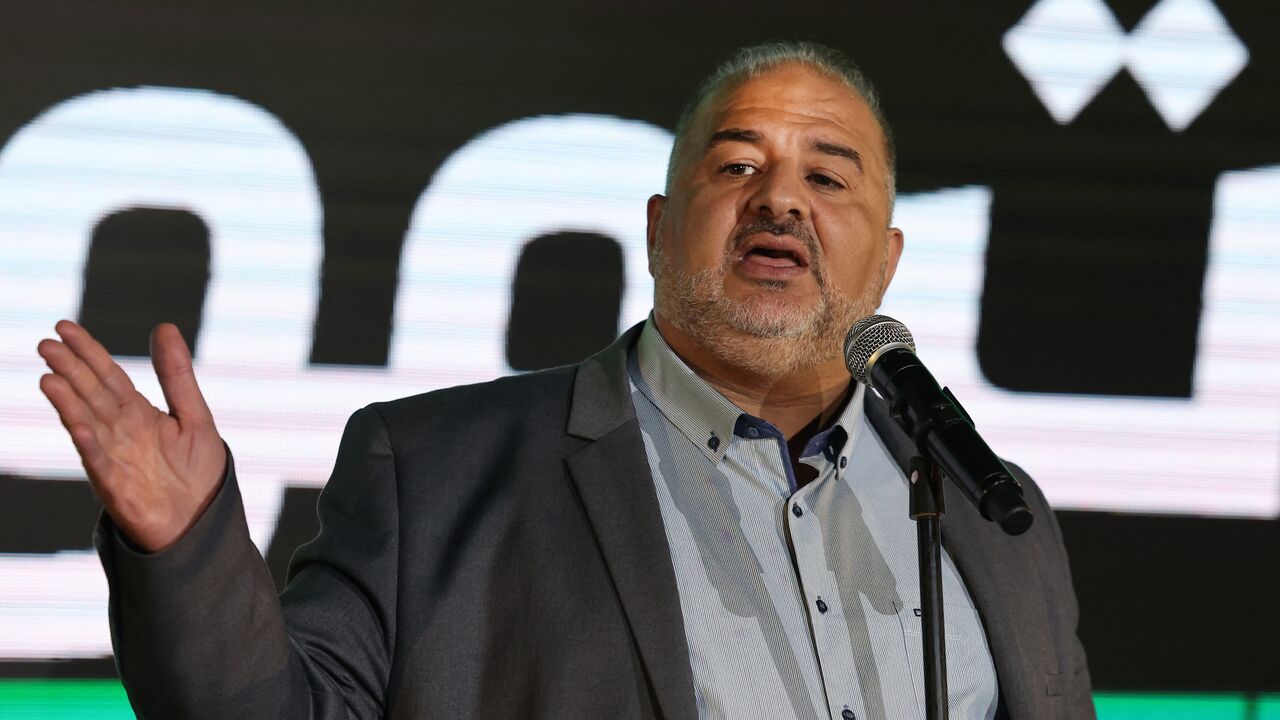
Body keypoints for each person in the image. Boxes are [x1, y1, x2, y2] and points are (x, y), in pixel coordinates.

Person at [37, 41, 1093, 719]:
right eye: (734, 166)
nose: (779, 199)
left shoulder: (990, 509)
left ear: (889, 260)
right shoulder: (436, 472)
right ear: (655, 228)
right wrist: (185, 550)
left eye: (826, 175)